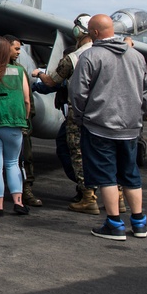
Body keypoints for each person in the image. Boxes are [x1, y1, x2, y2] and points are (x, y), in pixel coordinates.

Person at [69, 14, 147, 240]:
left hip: (99, 127)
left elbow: (77, 93)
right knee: (131, 174)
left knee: (107, 177)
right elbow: (145, 92)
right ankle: (139, 222)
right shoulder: (137, 56)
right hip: (131, 127)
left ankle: (114, 224)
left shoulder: (90, 56)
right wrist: (136, 116)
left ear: (93, 33)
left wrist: (83, 118)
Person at [32, 14, 97, 213]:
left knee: (74, 153)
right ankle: (118, 196)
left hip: (78, 117)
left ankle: (88, 195)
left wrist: (38, 76)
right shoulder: (113, 54)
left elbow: (52, 82)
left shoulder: (74, 57)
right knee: (105, 154)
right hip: (107, 116)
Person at [0, 36, 41, 206]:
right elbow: (27, 100)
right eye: (16, 49)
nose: (18, 53)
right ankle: (18, 203)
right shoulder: (18, 72)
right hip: (15, 125)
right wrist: (24, 120)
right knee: (13, 164)